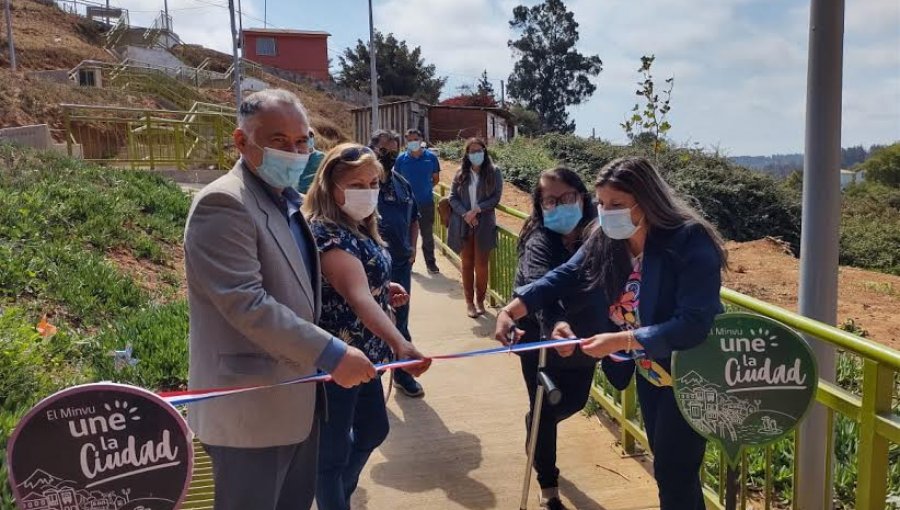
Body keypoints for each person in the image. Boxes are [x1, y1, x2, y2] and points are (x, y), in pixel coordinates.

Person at [494, 157, 728, 510]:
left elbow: (695, 322)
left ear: (648, 201)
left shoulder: (688, 241)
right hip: (652, 373)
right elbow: (565, 275)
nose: (605, 213)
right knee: (668, 469)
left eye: (617, 205)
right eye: (601, 204)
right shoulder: (607, 237)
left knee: (675, 473)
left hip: (689, 374)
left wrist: (622, 342)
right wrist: (514, 308)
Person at [183, 89, 376, 510]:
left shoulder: (286, 203)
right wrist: (332, 352)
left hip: (294, 402)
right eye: (278, 141)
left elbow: (296, 287)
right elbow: (245, 302)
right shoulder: (224, 203)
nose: (295, 152)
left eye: (302, 141)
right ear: (241, 141)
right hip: (249, 412)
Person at [303, 143, 432, 510]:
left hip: (367, 355)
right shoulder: (328, 233)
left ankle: (339, 493)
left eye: (373, 183)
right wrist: (401, 344)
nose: (368, 192)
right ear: (331, 187)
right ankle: (335, 498)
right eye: (357, 184)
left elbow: (362, 285)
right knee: (332, 454)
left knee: (375, 429)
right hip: (337, 358)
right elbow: (357, 297)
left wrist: (383, 287)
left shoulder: (356, 226)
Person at [514, 167, 598, 510]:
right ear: (540, 205)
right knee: (545, 411)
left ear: (582, 197)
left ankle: (535, 422)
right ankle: (548, 484)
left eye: (566, 198)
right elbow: (540, 289)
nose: (559, 206)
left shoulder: (599, 236)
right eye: (550, 200)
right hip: (540, 338)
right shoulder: (538, 240)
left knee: (574, 401)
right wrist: (556, 323)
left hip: (584, 338)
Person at [377, 136, 425, 398]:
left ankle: (402, 373)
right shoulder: (362, 184)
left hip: (400, 263)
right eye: (384, 150)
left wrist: (412, 248)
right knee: (372, 320)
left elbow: (414, 219)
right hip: (369, 266)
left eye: (393, 152)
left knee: (400, 318)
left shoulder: (402, 184)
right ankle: (373, 375)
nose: (388, 156)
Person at [447, 137, 503, 317]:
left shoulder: (494, 172)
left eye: (479, 150)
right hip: (464, 224)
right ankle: (469, 303)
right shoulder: (460, 173)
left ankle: (480, 301)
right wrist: (466, 214)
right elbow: (452, 197)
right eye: (472, 151)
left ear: (485, 152)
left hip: (484, 224)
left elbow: (495, 198)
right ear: (467, 154)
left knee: (481, 265)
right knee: (466, 264)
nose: (476, 154)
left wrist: (477, 210)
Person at [395, 128, 441, 274]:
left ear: (421, 139)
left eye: (415, 139)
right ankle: (408, 263)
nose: (412, 142)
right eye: (409, 140)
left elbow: (435, 179)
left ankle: (431, 263)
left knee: (427, 235)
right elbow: (396, 180)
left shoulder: (431, 158)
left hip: (426, 203)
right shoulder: (401, 159)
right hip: (406, 205)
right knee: (407, 236)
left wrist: (425, 189)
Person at [296, 127, 326, 194]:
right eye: (304, 138)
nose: (309, 138)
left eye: (311, 136)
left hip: (314, 195)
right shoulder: (295, 157)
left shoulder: (321, 157)